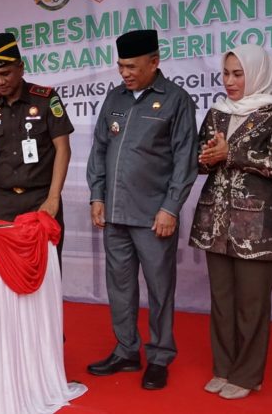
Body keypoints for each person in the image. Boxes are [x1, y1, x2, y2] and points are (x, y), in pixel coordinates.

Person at [85, 30, 197, 390]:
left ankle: (160, 356)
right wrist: (97, 196)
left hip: (153, 217)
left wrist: (170, 208)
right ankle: (126, 351)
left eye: (132, 66)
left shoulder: (176, 99)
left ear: (155, 61)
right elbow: (99, 148)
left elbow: (184, 160)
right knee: (119, 287)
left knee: (160, 289)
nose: (125, 73)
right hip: (115, 214)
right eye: (120, 66)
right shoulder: (114, 97)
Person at [188, 44, 272, 399]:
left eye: (239, 73)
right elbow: (201, 162)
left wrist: (230, 153)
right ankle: (224, 367)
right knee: (221, 299)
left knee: (252, 302)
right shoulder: (217, 112)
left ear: (257, 73)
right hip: (214, 219)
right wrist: (205, 157)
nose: (230, 81)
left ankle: (248, 375)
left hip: (256, 225)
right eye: (226, 73)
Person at [0, 32, 73, 261]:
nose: (0, 81)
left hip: (41, 199)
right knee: (7, 270)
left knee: (46, 267)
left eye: (5, 73)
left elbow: (63, 149)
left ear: (21, 68)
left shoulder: (45, 100)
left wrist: (54, 197)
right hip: (4, 203)